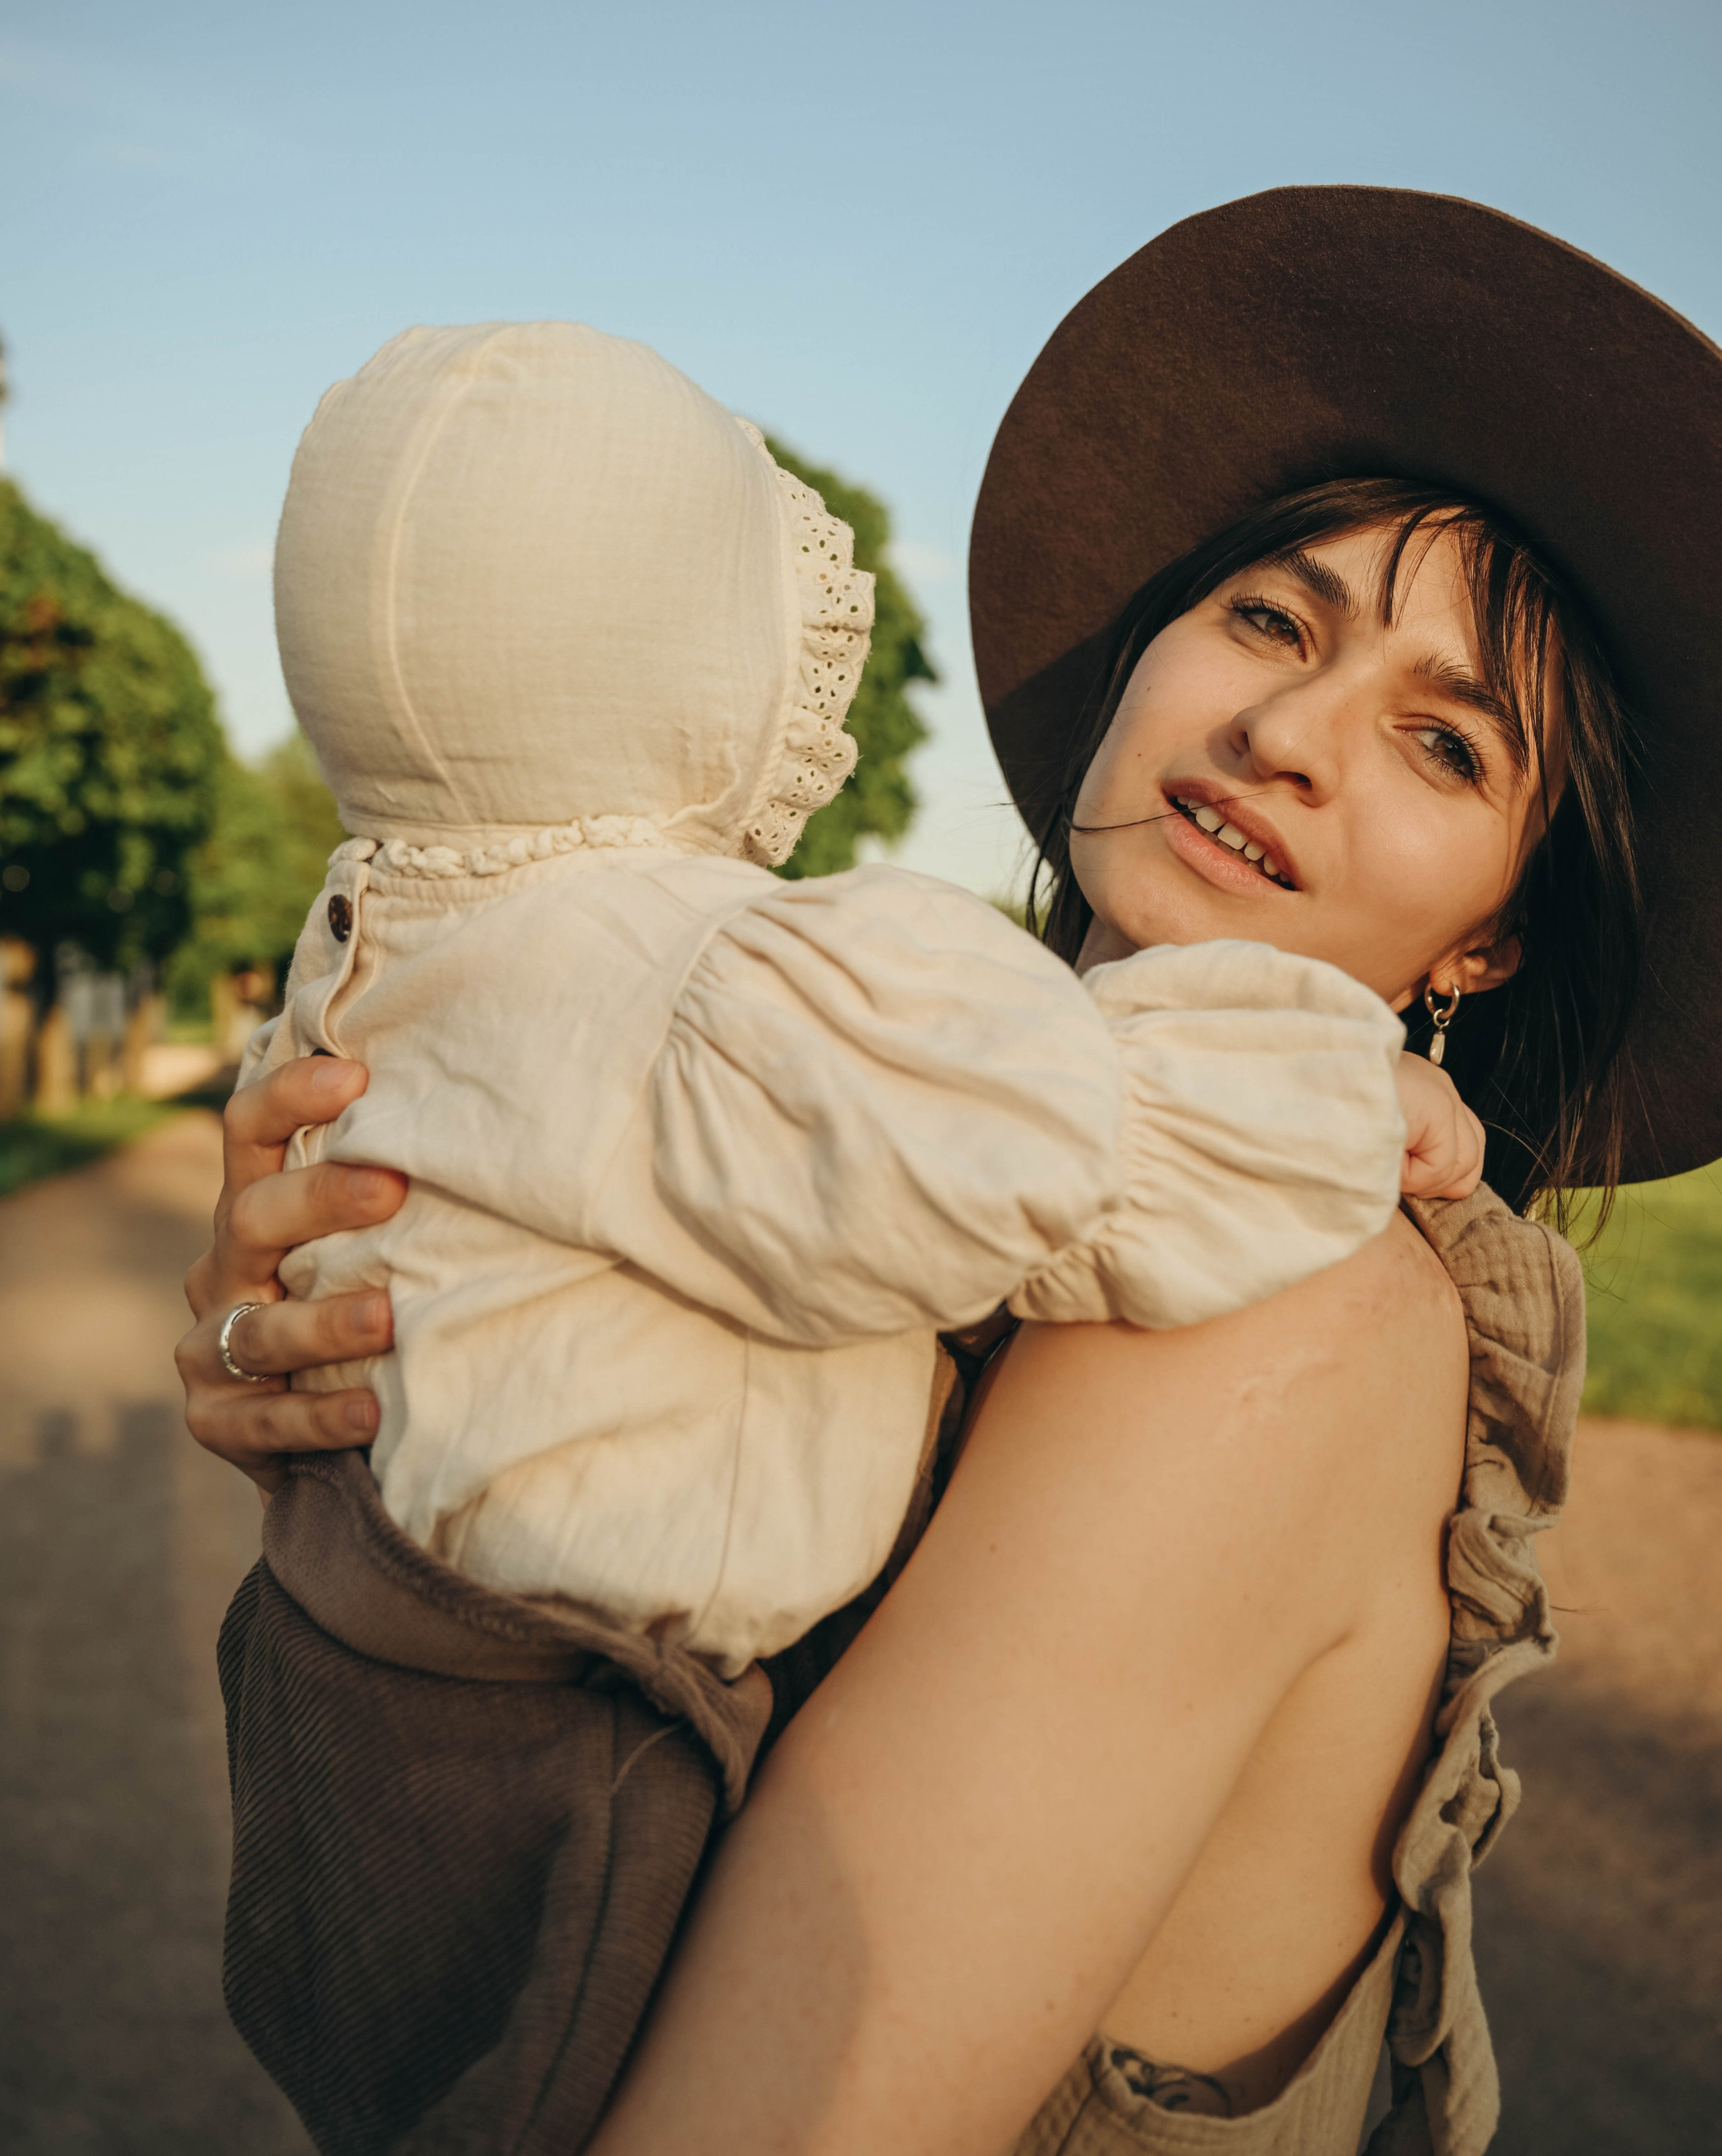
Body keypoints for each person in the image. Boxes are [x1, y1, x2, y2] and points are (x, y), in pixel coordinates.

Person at [179, 186, 1722, 2155]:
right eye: (1269, 619)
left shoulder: (1281, 1313)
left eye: (1445, 744)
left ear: (1492, 940)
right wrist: (350, 1377)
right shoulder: (830, 1124)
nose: (1283, 732)